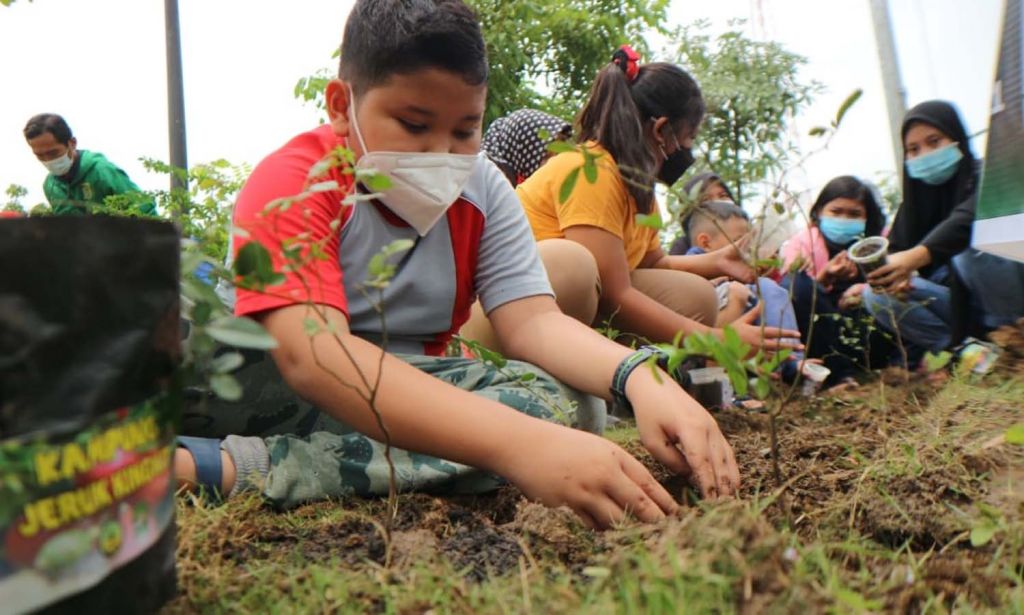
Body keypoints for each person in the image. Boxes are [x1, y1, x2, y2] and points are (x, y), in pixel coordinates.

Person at [174, 0, 739, 530]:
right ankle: (226, 462)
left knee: (567, 407)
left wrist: (640, 378)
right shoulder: (299, 178)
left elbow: (534, 322)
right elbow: (312, 355)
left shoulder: (484, 192)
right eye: (415, 126)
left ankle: (228, 467)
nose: (442, 153)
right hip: (257, 376)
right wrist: (517, 445)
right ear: (343, 107)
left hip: (405, 385)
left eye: (465, 130)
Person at [510, 45, 800, 353]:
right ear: (661, 130)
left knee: (696, 296)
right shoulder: (591, 171)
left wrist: (718, 261)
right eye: (689, 139)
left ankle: (618, 384)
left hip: (565, 302)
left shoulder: (639, 191)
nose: (688, 151)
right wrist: (716, 341)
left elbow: (652, 262)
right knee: (578, 268)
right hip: (515, 305)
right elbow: (613, 295)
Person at [863, 100, 1024, 354]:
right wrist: (897, 278)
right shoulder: (913, 206)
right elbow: (893, 256)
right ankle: (969, 352)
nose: (924, 154)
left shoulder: (990, 175)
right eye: (913, 149)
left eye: (934, 141)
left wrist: (916, 257)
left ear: (956, 137)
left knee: (974, 242)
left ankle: (1014, 335)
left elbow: (967, 218)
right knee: (875, 296)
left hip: (1009, 296)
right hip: (959, 309)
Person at [781, 176, 890, 386]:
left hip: (865, 335)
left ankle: (899, 364)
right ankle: (836, 376)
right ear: (820, 211)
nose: (844, 219)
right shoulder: (801, 246)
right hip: (819, 337)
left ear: (868, 217)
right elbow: (794, 295)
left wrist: (863, 292)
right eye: (836, 212)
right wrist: (824, 278)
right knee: (796, 282)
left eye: (854, 214)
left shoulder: (879, 244)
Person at [685, 200, 805, 379]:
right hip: (707, 331)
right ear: (705, 242)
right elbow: (690, 289)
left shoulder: (739, 265)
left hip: (742, 327)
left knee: (769, 287)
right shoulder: (693, 259)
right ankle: (719, 382)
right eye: (737, 242)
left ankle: (789, 360)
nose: (746, 248)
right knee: (738, 291)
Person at [23, 113, 155, 216]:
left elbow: (143, 208)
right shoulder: (51, 186)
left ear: (72, 143)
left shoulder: (101, 171)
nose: (48, 160)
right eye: (40, 155)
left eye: (53, 153)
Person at [481, 109, 573, 185]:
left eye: (557, 154)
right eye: (546, 156)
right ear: (522, 152)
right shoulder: (489, 186)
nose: (554, 162)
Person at [669, 172, 736, 256]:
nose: (718, 202)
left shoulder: (752, 235)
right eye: (706, 199)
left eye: (723, 195)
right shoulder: (682, 248)